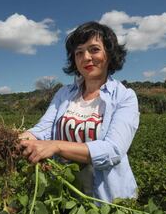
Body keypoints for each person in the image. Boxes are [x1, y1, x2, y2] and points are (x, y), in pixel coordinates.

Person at [19, 21, 139, 203]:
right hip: (66, 196)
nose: (86, 57)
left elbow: (113, 150)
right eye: (79, 52)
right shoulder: (65, 94)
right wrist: (19, 139)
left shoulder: (124, 97)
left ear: (109, 53)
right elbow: (44, 128)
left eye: (94, 49)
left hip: (109, 203)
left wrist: (56, 146)